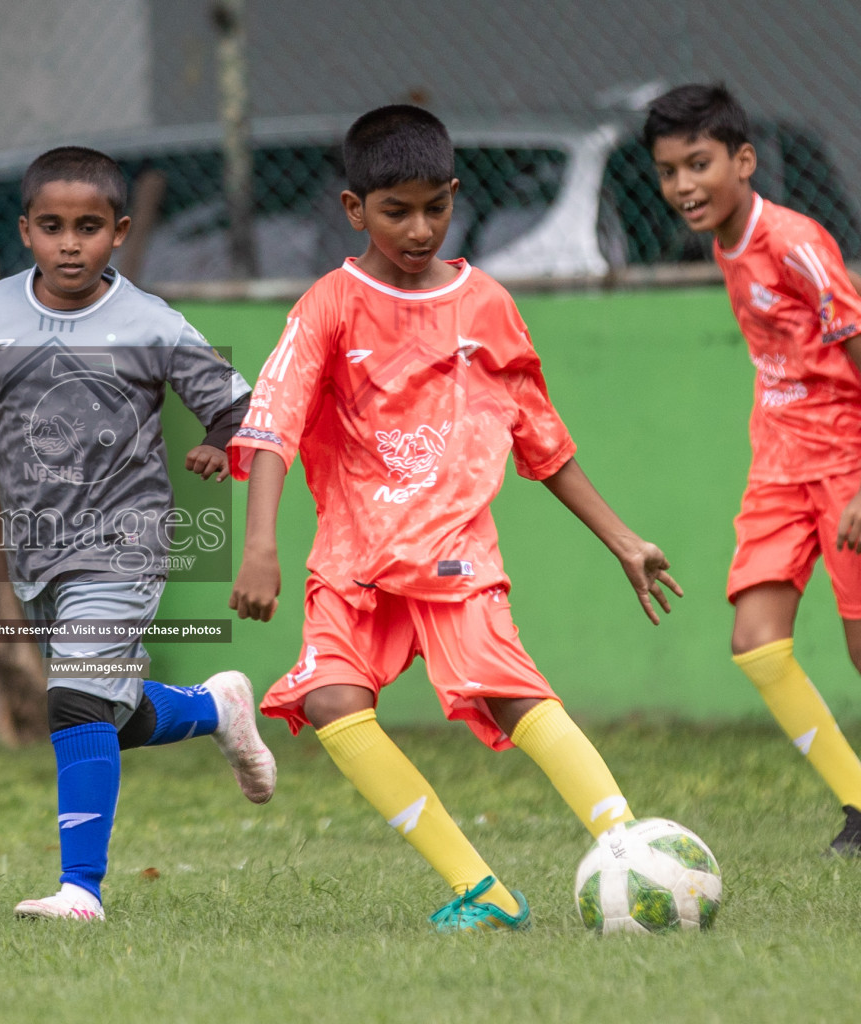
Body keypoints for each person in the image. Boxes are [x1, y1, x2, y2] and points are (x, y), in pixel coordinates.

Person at [228, 105, 682, 931]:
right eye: (396, 210)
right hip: (354, 552)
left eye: (434, 206)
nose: (419, 226)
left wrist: (625, 540)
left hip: (453, 546)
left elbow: (542, 441)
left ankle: (631, 848)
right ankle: (484, 890)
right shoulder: (328, 305)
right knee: (331, 701)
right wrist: (260, 543)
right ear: (353, 210)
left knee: (506, 691)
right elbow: (273, 423)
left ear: (454, 196)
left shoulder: (487, 306)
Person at [0, 146, 276, 922]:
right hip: (36, 551)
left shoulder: (149, 321)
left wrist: (217, 441)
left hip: (124, 543)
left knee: (72, 699)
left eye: (88, 227)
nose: (69, 243)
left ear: (120, 232)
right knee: (107, 710)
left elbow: (242, 407)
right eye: (51, 226)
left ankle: (81, 889)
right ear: (24, 232)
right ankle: (215, 710)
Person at [646, 84, 861, 854]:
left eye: (699, 164)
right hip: (778, 460)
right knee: (756, 640)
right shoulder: (722, 242)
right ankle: (859, 803)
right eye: (669, 172)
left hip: (844, 457)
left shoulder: (796, 240)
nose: (684, 187)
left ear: (745, 160)